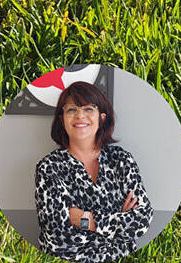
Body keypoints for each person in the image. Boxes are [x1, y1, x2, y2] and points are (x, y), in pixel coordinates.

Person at [34, 81, 153, 262]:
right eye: (71, 110)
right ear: (62, 119)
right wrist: (118, 225)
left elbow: (141, 220)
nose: (80, 115)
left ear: (102, 117)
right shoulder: (49, 168)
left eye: (89, 108)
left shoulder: (121, 159)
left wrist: (84, 219)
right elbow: (58, 239)